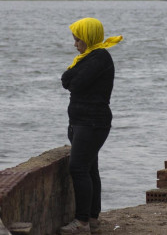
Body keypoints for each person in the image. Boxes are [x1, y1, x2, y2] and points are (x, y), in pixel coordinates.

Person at [58, 17, 122, 235]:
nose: (75, 44)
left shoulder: (99, 58)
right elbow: (66, 79)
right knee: (90, 168)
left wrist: (72, 77)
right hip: (81, 121)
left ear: (88, 38)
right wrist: (72, 76)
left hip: (92, 122)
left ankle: (82, 222)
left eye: (78, 40)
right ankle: (93, 219)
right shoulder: (88, 58)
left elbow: (73, 83)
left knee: (78, 168)